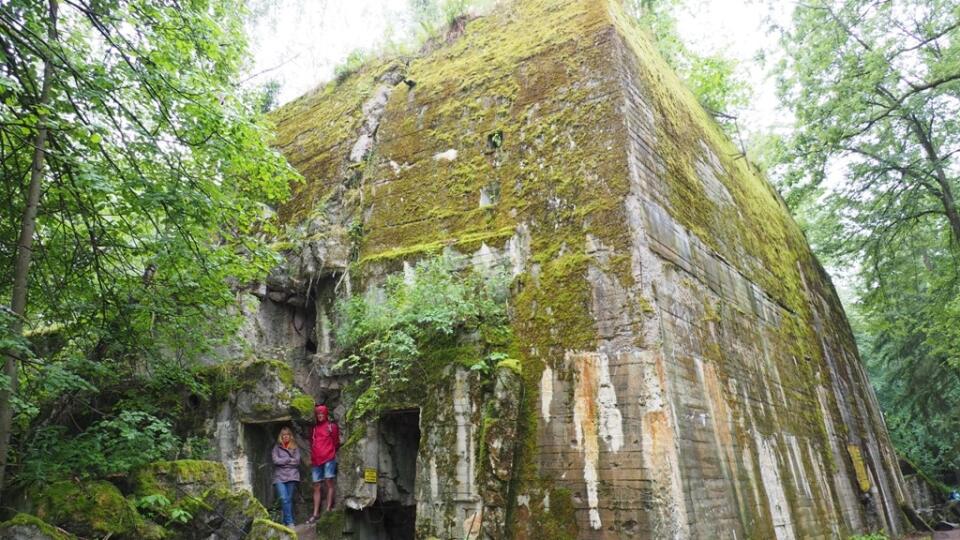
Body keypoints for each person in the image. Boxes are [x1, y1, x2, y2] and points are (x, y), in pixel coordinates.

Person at [306, 404, 340, 524]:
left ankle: (328, 509)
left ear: (325, 414)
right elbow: (312, 443)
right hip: (316, 460)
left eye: (322, 413)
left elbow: (336, 442)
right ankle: (315, 514)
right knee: (316, 486)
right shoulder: (314, 429)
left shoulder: (332, 427)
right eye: (318, 413)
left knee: (329, 482)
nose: (320, 415)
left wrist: (330, 453)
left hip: (329, 458)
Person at [271, 426, 300, 527]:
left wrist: (282, 461)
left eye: (287, 435)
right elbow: (275, 461)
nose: (286, 437)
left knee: (288, 499)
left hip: (292, 476)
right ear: (281, 436)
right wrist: (288, 460)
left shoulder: (295, 447)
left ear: (290, 436)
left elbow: (297, 462)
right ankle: (290, 522)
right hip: (279, 476)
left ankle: (285, 521)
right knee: (284, 498)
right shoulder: (276, 447)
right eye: (284, 435)